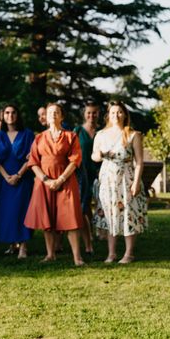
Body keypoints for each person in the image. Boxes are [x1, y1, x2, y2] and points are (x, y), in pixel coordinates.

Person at [24, 103, 84, 266]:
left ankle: (77, 257)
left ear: (62, 116)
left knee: (71, 218)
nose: (53, 115)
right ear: (45, 117)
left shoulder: (71, 136)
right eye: (50, 112)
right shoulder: (39, 138)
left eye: (56, 112)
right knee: (46, 218)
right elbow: (33, 162)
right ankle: (50, 254)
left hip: (66, 180)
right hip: (44, 182)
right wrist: (46, 180)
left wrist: (61, 179)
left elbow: (75, 160)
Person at [91, 101, 147, 264]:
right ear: (108, 115)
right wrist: (100, 154)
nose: (116, 115)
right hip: (107, 178)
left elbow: (139, 162)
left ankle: (129, 253)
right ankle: (112, 253)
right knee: (110, 214)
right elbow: (94, 156)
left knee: (129, 213)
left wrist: (136, 183)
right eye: (113, 112)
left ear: (125, 115)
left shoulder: (132, 134)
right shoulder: (101, 134)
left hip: (126, 178)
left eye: (120, 112)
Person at [0, 104, 34, 259]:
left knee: (22, 210)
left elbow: (31, 158)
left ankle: (23, 246)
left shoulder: (27, 134)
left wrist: (18, 175)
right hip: (4, 179)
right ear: (3, 116)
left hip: (23, 178)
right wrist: (7, 177)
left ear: (18, 115)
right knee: (7, 212)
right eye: (7, 112)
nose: (10, 115)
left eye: (13, 112)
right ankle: (11, 244)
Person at [73, 102, 101, 254]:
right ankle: (88, 242)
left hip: (98, 174)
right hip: (81, 175)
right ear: (84, 114)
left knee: (97, 206)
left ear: (99, 114)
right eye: (89, 112)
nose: (91, 115)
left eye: (94, 112)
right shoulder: (77, 131)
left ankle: (98, 232)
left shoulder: (102, 132)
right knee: (83, 207)